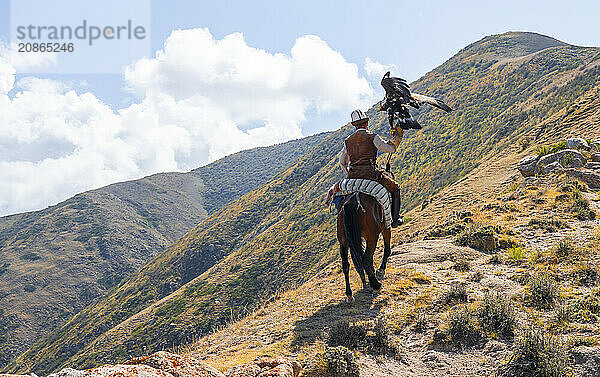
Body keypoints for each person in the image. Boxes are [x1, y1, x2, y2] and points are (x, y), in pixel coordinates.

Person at [339, 109, 404, 227]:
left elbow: (342, 162)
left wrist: (349, 173)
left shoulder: (347, 141)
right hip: (371, 175)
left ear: (355, 125)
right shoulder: (373, 137)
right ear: (367, 123)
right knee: (395, 188)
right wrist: (396, 137)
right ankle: (395, 219)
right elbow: (390, 149)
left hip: (352, 175)